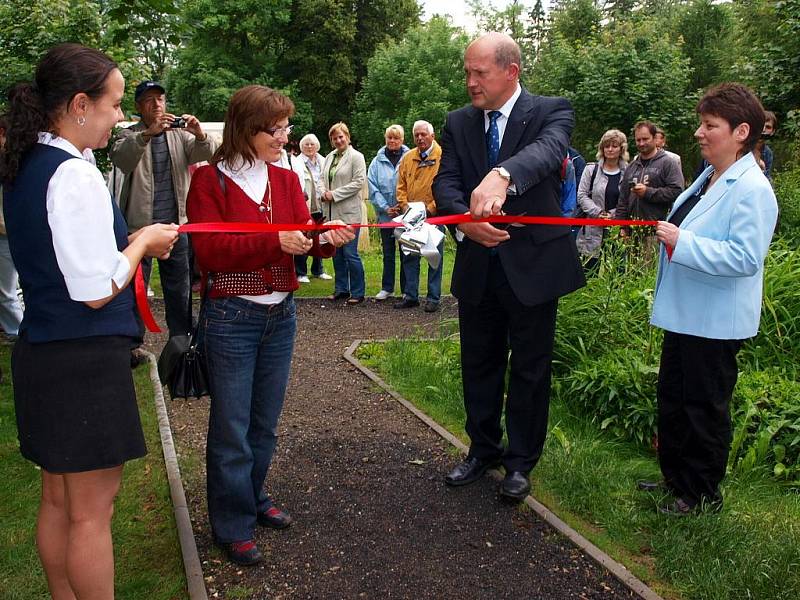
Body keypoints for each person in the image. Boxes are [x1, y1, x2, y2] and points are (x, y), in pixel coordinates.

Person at [0, 43, 179, 598]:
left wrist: (118, 248)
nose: (119, 116)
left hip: (45, 349)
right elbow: (97, 289)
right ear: (80, 104)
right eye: (115, 104)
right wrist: (145, 241)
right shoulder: (72, 174)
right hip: (80, 359)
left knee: (59, 499)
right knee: (89, 515)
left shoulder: (28, 162)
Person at [186, 85, 354, 565]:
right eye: (276, 130)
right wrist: (275, 243)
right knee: (231, 429)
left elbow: (304, 235)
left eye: (286, 129)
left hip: (281, 316)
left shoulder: (284, 179)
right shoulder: (209, 182)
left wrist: (328, 242)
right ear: (246, 130)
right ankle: (232, 522)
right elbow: (211, 253)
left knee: (264, 425)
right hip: (231, 317)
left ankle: (253, 497)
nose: (286, 138)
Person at [432, 33, 585, 501]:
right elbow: (447, 181)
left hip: (533, 266)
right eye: (467, 72)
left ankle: (520, 463)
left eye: (479, 73)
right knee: (478, 361)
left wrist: (503, 174)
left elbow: (547, 152)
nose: (470, 82)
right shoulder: (459, 122)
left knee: (531, 367)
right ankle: (482, 449)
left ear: (511, 71)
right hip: (480, 262)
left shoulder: (550, 111)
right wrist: (466, 225)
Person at [643, 83, 778, 515]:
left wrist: (682, 243)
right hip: (686, 313)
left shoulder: (753, 188)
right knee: (674, 399)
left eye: (710, 125)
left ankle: (701, 495)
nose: (700, 133)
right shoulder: (707, 177)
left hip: (715, 320)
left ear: (741, 131)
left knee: (703, 407)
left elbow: (745, 257)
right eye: (701, 124)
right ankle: (675, 480)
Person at [109, 80, 218, 338]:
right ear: (138, 107)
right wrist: (148, 134)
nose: (157, 104)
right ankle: (131, 340)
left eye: (160, 99)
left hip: (176, 224)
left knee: (179, 287)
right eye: (149, 100)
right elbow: (121, 158)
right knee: (134, 287)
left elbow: (208, 153)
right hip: (139, 227)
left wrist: (199, 133)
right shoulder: (130, 133)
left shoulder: (178, 133)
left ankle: (181, 338)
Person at [395, 120, 444, 312]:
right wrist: (406, 208)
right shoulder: (408, 157)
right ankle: (411, 295)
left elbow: (445, 187)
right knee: (410, 256)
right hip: (410, 217)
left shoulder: (443, 156)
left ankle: (433, 297)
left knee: (434, 257)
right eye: (416, 135)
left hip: (433, 216)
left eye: (423, 134)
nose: (420, 138)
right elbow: (401, 186)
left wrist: (430, 209)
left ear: (432, 136)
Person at [616, 121, 684, 247]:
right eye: (638, 140)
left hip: (657, 233)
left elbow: (677, 191)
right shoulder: (632, 166)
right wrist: (621, 226)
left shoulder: (668, 163)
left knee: (651, 267)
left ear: (654, 138)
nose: (641, 143)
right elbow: (623, 200)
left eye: (645, 139)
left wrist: (648, 192)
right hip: (631, 233)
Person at [320, 122, 367, 304]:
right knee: (336, 253)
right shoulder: (330, 157)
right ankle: (341, 289)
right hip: (331, 214)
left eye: (341, 136)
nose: (338, 140)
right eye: (334, 138)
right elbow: (322, 178)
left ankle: (358, 291)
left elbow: (358, 182)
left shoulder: (357, 157)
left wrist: (334, 195)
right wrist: (323, 192)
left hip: (348, 213)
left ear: (347, 137)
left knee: (350, 253)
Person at [575, 129, 629, 266]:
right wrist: (598, 213)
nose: (610, 149)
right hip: (592, 228)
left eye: (614, 146)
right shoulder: (590, 169)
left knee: (616, 272)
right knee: (588, 270)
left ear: (621, 149)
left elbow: (629, 199)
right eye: (607, 146)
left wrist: (612, 215)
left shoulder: (628, 171)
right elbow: (581, 195)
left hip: (616, 227)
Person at [368, 124, 409, 301]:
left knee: (406, 252)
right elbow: (372, 187)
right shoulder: (377, 161)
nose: (392, 141)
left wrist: (402, 205)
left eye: (396, 138)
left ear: (402, 140)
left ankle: (408, 289)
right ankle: (387, 288)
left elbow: (411, 183)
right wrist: (385, 207)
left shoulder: (410, 158)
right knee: (388, 254)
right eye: (389, 138)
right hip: (385, 215)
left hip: (405, 214)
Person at [295, 133, 332, 282]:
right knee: (303, 238)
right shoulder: (296, 162)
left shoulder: (323, 161)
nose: (309, 147)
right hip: (304, 207)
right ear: (301, 147)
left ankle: (318, 270)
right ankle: (301, 272)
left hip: (321, 206)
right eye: (306, 144)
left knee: (319, 238)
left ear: (317, 146)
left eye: (312, 144)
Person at [0, 113, 24, 338]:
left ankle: (19, 331)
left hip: (7, 232)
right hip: (9, 230)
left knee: (7, 290)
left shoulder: (13, 160)